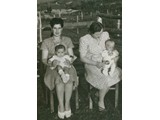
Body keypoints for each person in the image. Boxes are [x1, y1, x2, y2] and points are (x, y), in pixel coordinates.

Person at [79, 22, 121, 111]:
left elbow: (110, 47)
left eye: (101, 33)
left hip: (106, 61)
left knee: (114, 73)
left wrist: (114, 56)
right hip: (92, 63)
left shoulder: (105, 35)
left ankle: (97, 94)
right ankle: (101, 101)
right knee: (105, 78)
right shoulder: (84, 39)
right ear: (91, 32)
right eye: (97, 35)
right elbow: (82, 58)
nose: (99, 36)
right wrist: (96, 63)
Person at [41, 18, 78, 119]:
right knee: (59, 80)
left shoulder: (67, 40)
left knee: (69, 79)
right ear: (51, 29)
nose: (57, 31)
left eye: (59, 28)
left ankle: (67, 105)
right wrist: (52, 62)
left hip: (66, 65)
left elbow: (72, 56)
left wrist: (69, 61)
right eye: (54, 28)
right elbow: (44, 59)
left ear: (62, 28)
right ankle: (61, 106)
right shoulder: (46, 41)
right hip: (52, 66)